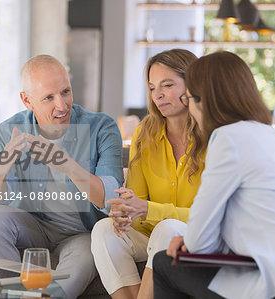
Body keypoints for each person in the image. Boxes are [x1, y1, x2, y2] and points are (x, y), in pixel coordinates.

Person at [153, 51, 275, 299]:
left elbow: (200, 242)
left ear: (204, 102)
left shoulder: (227, 138)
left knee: (164, 263)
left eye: (189, 98)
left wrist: (187, 241)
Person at [0, 55, 124, 299]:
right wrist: (1, 168)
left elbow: (110, 199)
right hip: (33, 227)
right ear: (27, 100)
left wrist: (67, 165)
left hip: (81, 234)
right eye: (49, 98)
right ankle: (10, 295)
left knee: (88, 254)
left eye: (65, 92)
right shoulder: (9, 131)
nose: (62, 105)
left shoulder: (102, 128)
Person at [91, 49, 204, 299]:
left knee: (168, 228)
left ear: (193, 85)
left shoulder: (213, 136)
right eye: (153, 87)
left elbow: (208, 217)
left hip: (198, 237)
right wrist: (127, 212)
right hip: (154, 236)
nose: (158, 95)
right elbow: (138, 205)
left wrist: (147, 209)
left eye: (168, 85)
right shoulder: (145, 132)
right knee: (104, 230)